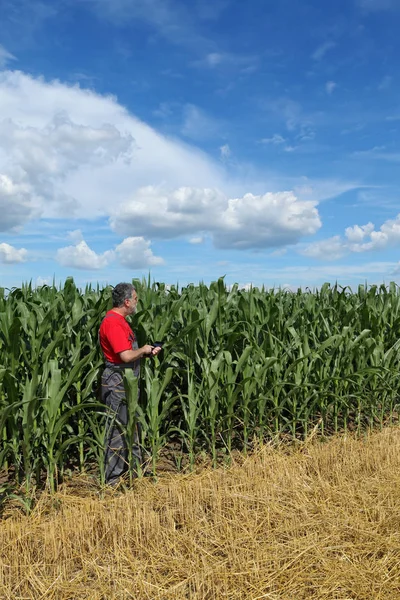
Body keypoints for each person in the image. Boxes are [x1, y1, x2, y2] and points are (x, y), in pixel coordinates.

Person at [99, 282, 161, 486]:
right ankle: (112, 481)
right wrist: (143, 350)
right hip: (117, 382)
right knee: (117, 430)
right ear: (126, 301)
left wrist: (147, 352)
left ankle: (134, 472)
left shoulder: (121, 321)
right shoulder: (113, 323)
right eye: (135, 299)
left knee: (131, 426)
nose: (136, 302)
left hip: (126, 381)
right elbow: (125, 356)